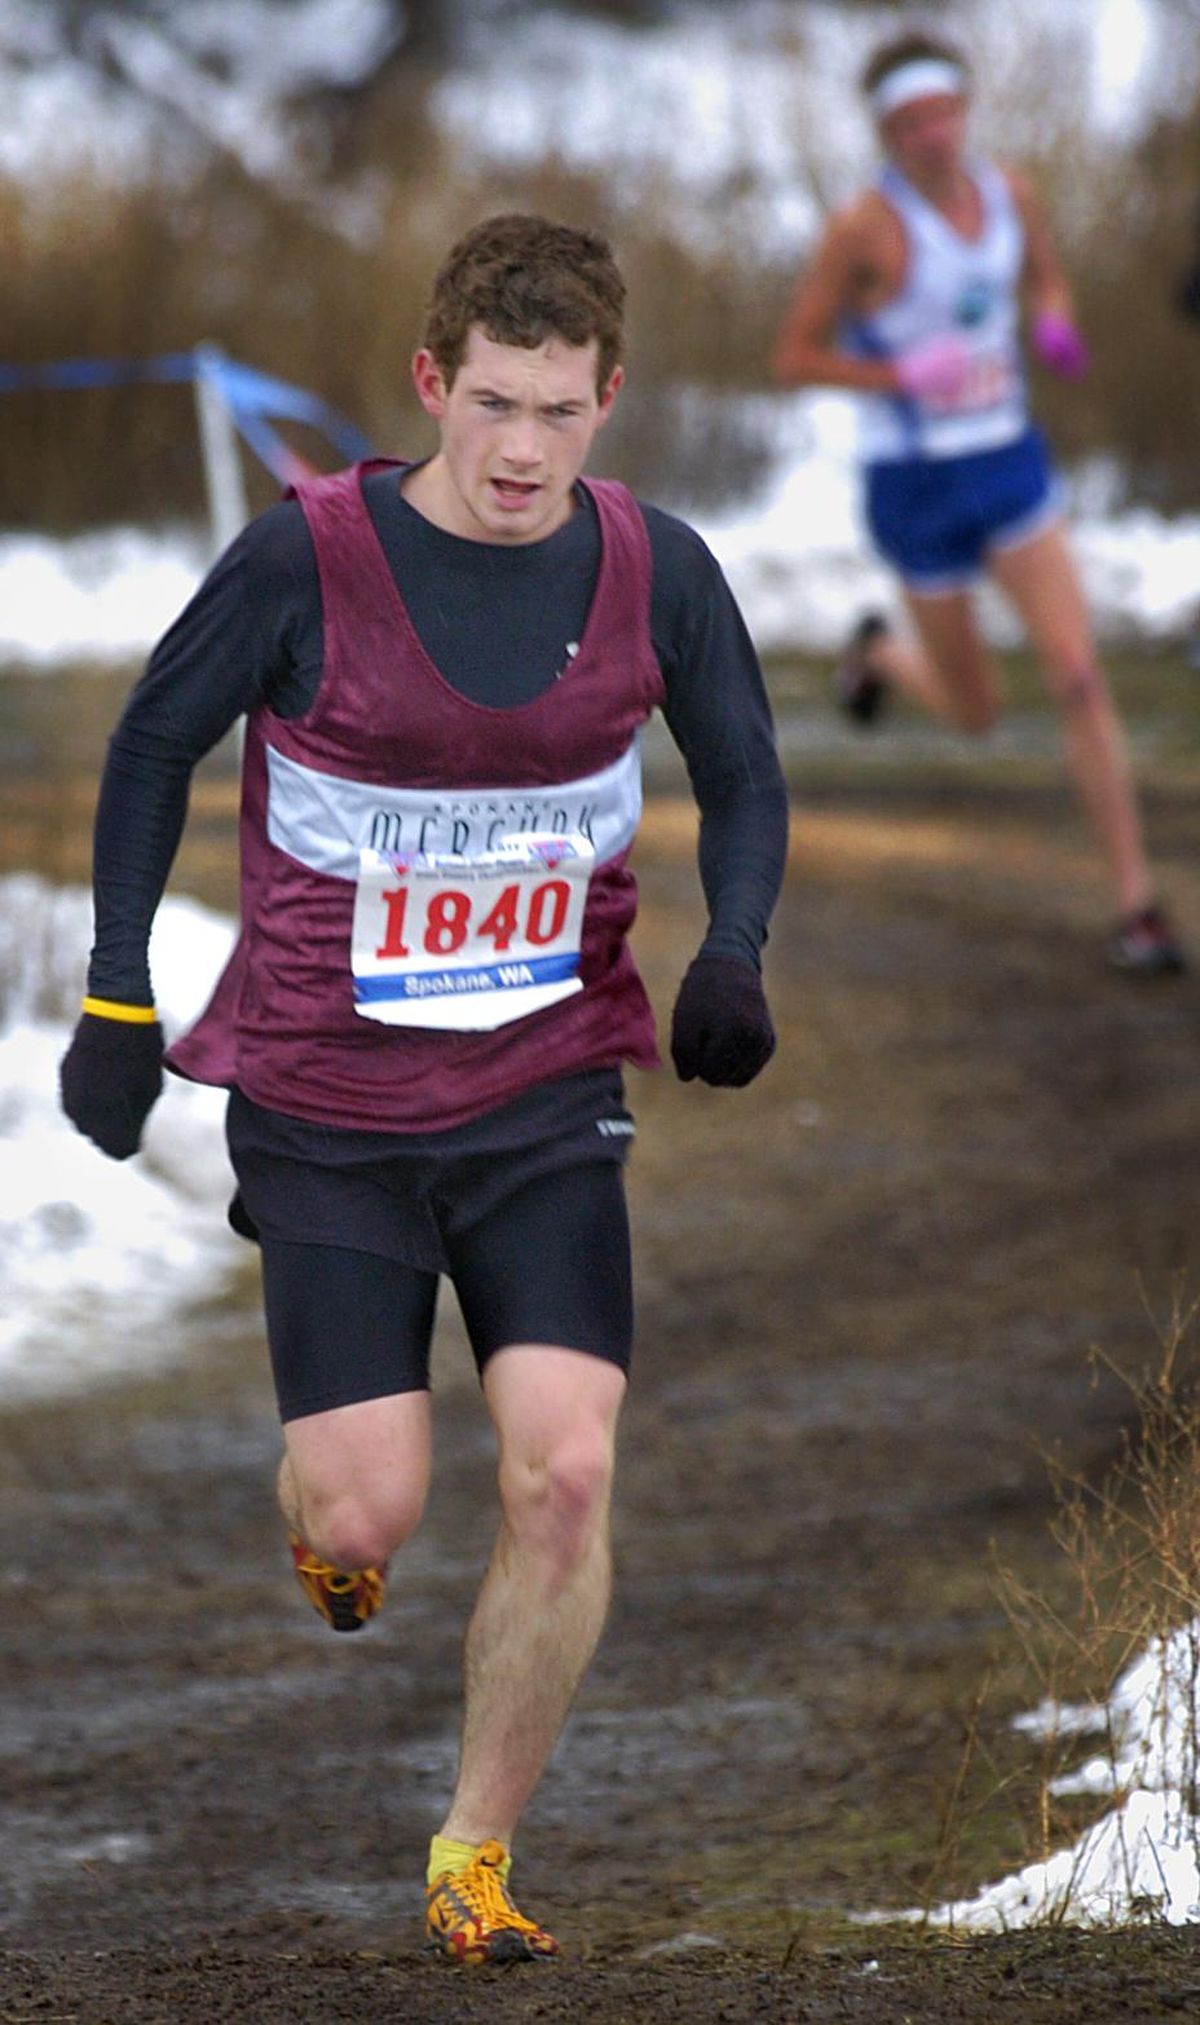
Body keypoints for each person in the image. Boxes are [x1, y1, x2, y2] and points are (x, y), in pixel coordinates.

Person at [58, 213, 788, 1964]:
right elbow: (157, 740)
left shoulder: (656, 566)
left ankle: (475, 1851)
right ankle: (331, 1518)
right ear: (429, 389)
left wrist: (735, 947)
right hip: (327, 1110)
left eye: (560, 409)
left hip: (543, 1098)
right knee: (368, 1506)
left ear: (611, 398)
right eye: (491, 405)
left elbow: (747, 769)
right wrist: (115, 987)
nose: (524, 450)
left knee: (563, 1475)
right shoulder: (301, 558)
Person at [772, 30, 1185, 978]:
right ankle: (877, 653)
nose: (933, 133)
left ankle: (1138, 904)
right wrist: (897, 372)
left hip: (1008, 462)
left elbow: (1046, 275)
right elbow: (792, 358)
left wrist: (1054, 321)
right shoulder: (862, 230)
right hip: (917, 487)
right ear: (886, 131)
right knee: (977, 711)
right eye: (911, 121)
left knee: (1081, 676)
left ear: (965, 112)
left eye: (945, 113)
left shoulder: (1011, 193)